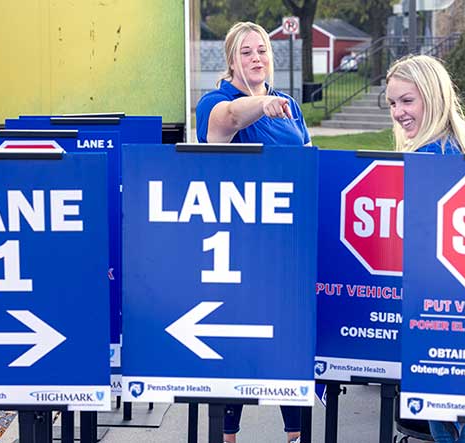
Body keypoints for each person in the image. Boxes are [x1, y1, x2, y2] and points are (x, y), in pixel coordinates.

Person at [196, 21, 310, 443]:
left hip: (286, 242)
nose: (256, 58)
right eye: (246, 52)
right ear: (230, 59)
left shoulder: (289, 105)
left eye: (261, 50)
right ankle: (228, 436)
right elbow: (224, 122)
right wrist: (259, 106)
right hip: (238, 243)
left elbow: (306, 159)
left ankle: (294, 435)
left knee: (287, 341)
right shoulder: (217, 100)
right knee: (240, 343)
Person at [385, 54, 465, 443]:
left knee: (448, 425)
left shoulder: (430, 157)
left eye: (407, 101)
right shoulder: (456, 145)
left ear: (433, 96)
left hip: (433, 306)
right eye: (392, 103)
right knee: (457, 423)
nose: (398, 112)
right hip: (456, 307)